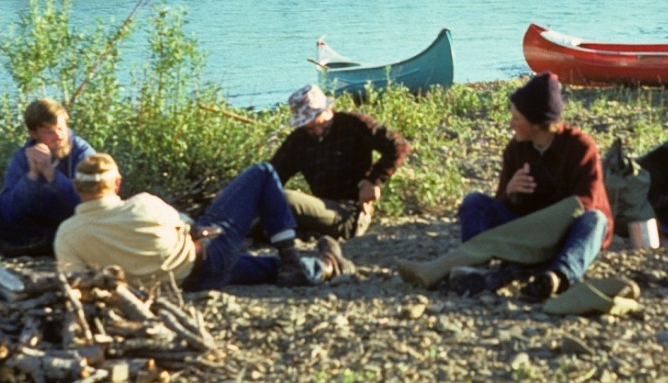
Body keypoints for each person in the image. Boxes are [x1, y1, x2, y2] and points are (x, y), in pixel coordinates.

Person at [54, 154, 354, 291]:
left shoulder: (66, 235)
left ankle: (323, 267)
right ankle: (293, 259)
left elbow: (77, 282)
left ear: (78, 188)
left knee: (258, 268)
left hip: (183, 286)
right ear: (117, 183)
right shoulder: (142, 204)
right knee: (262, 172)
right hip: (204, 261)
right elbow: (187, 225)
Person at [447, 71, 612, 300]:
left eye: (517, 118)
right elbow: (501, 204)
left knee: (596, 221)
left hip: (565, 233)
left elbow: (585, 202)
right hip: (527, 233)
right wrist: (510, 192)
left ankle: (557, 276)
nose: (511, 123)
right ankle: (475, 265)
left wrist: (546, 224)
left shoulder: (580, 147)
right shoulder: (516, 149)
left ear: (536, 123)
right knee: (475, 202)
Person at [268, 85, 410, 241]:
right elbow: (273, 175)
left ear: (326, 110)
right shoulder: (299, 139)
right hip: (320, 207)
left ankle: (302, 233)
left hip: (349, 212)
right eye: (309, 127)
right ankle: (303, 233)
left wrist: (374, 180)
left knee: (289, 199)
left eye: (317, 123)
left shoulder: (353, 124)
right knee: (266, 206)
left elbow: (399, 145)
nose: (316, 130)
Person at [0, 98, 95, 257]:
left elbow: (90, 202)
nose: (58, 136)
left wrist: (52, 175)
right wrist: (31, 177)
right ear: (34, 134)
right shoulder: (24, 156)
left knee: (88, 228)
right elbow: (8, 209)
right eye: (49, 132)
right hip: (40, 221)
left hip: (73, 220)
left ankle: (30, 244)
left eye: (61, 128)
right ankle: (45, 243)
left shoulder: (83, 154)